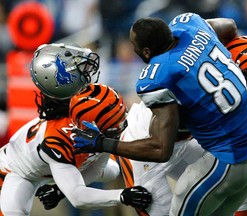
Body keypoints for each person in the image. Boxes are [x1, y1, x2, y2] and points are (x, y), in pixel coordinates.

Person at [72, 13, 247, 216]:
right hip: (146, 151)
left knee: (242, 200)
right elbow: (161, 148)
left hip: (197, 146)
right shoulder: (191, 31)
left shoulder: (165, 72)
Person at [0, 43, 152, 215]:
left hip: (50, 167)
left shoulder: (86, 105)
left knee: (112, 170)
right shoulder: (58, 135)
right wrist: (123, 196)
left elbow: (95, 167)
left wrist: (59, 191)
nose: (87, 73)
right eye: (79, 69)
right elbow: (78, 197)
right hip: (14, 172)